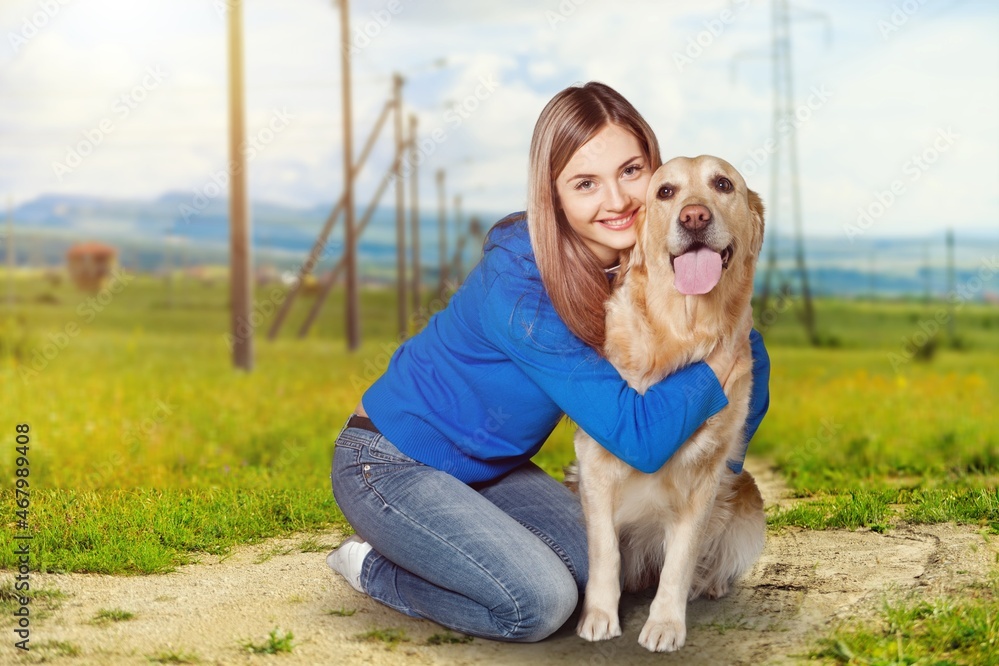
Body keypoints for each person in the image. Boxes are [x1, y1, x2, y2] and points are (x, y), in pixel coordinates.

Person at [327, 81, 770, 643]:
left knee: (595, 572)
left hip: (492, 470)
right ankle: (376, 568)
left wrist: (721, 456)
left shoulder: (636, 263)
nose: (616, 200)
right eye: (586, 183)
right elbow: (638, 438)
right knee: (538, 603)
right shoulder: (518, 284)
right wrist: (717, 370)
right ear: (553, 195)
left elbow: (746, 351)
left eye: (631, 171)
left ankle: (454, 547)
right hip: (391, 460)